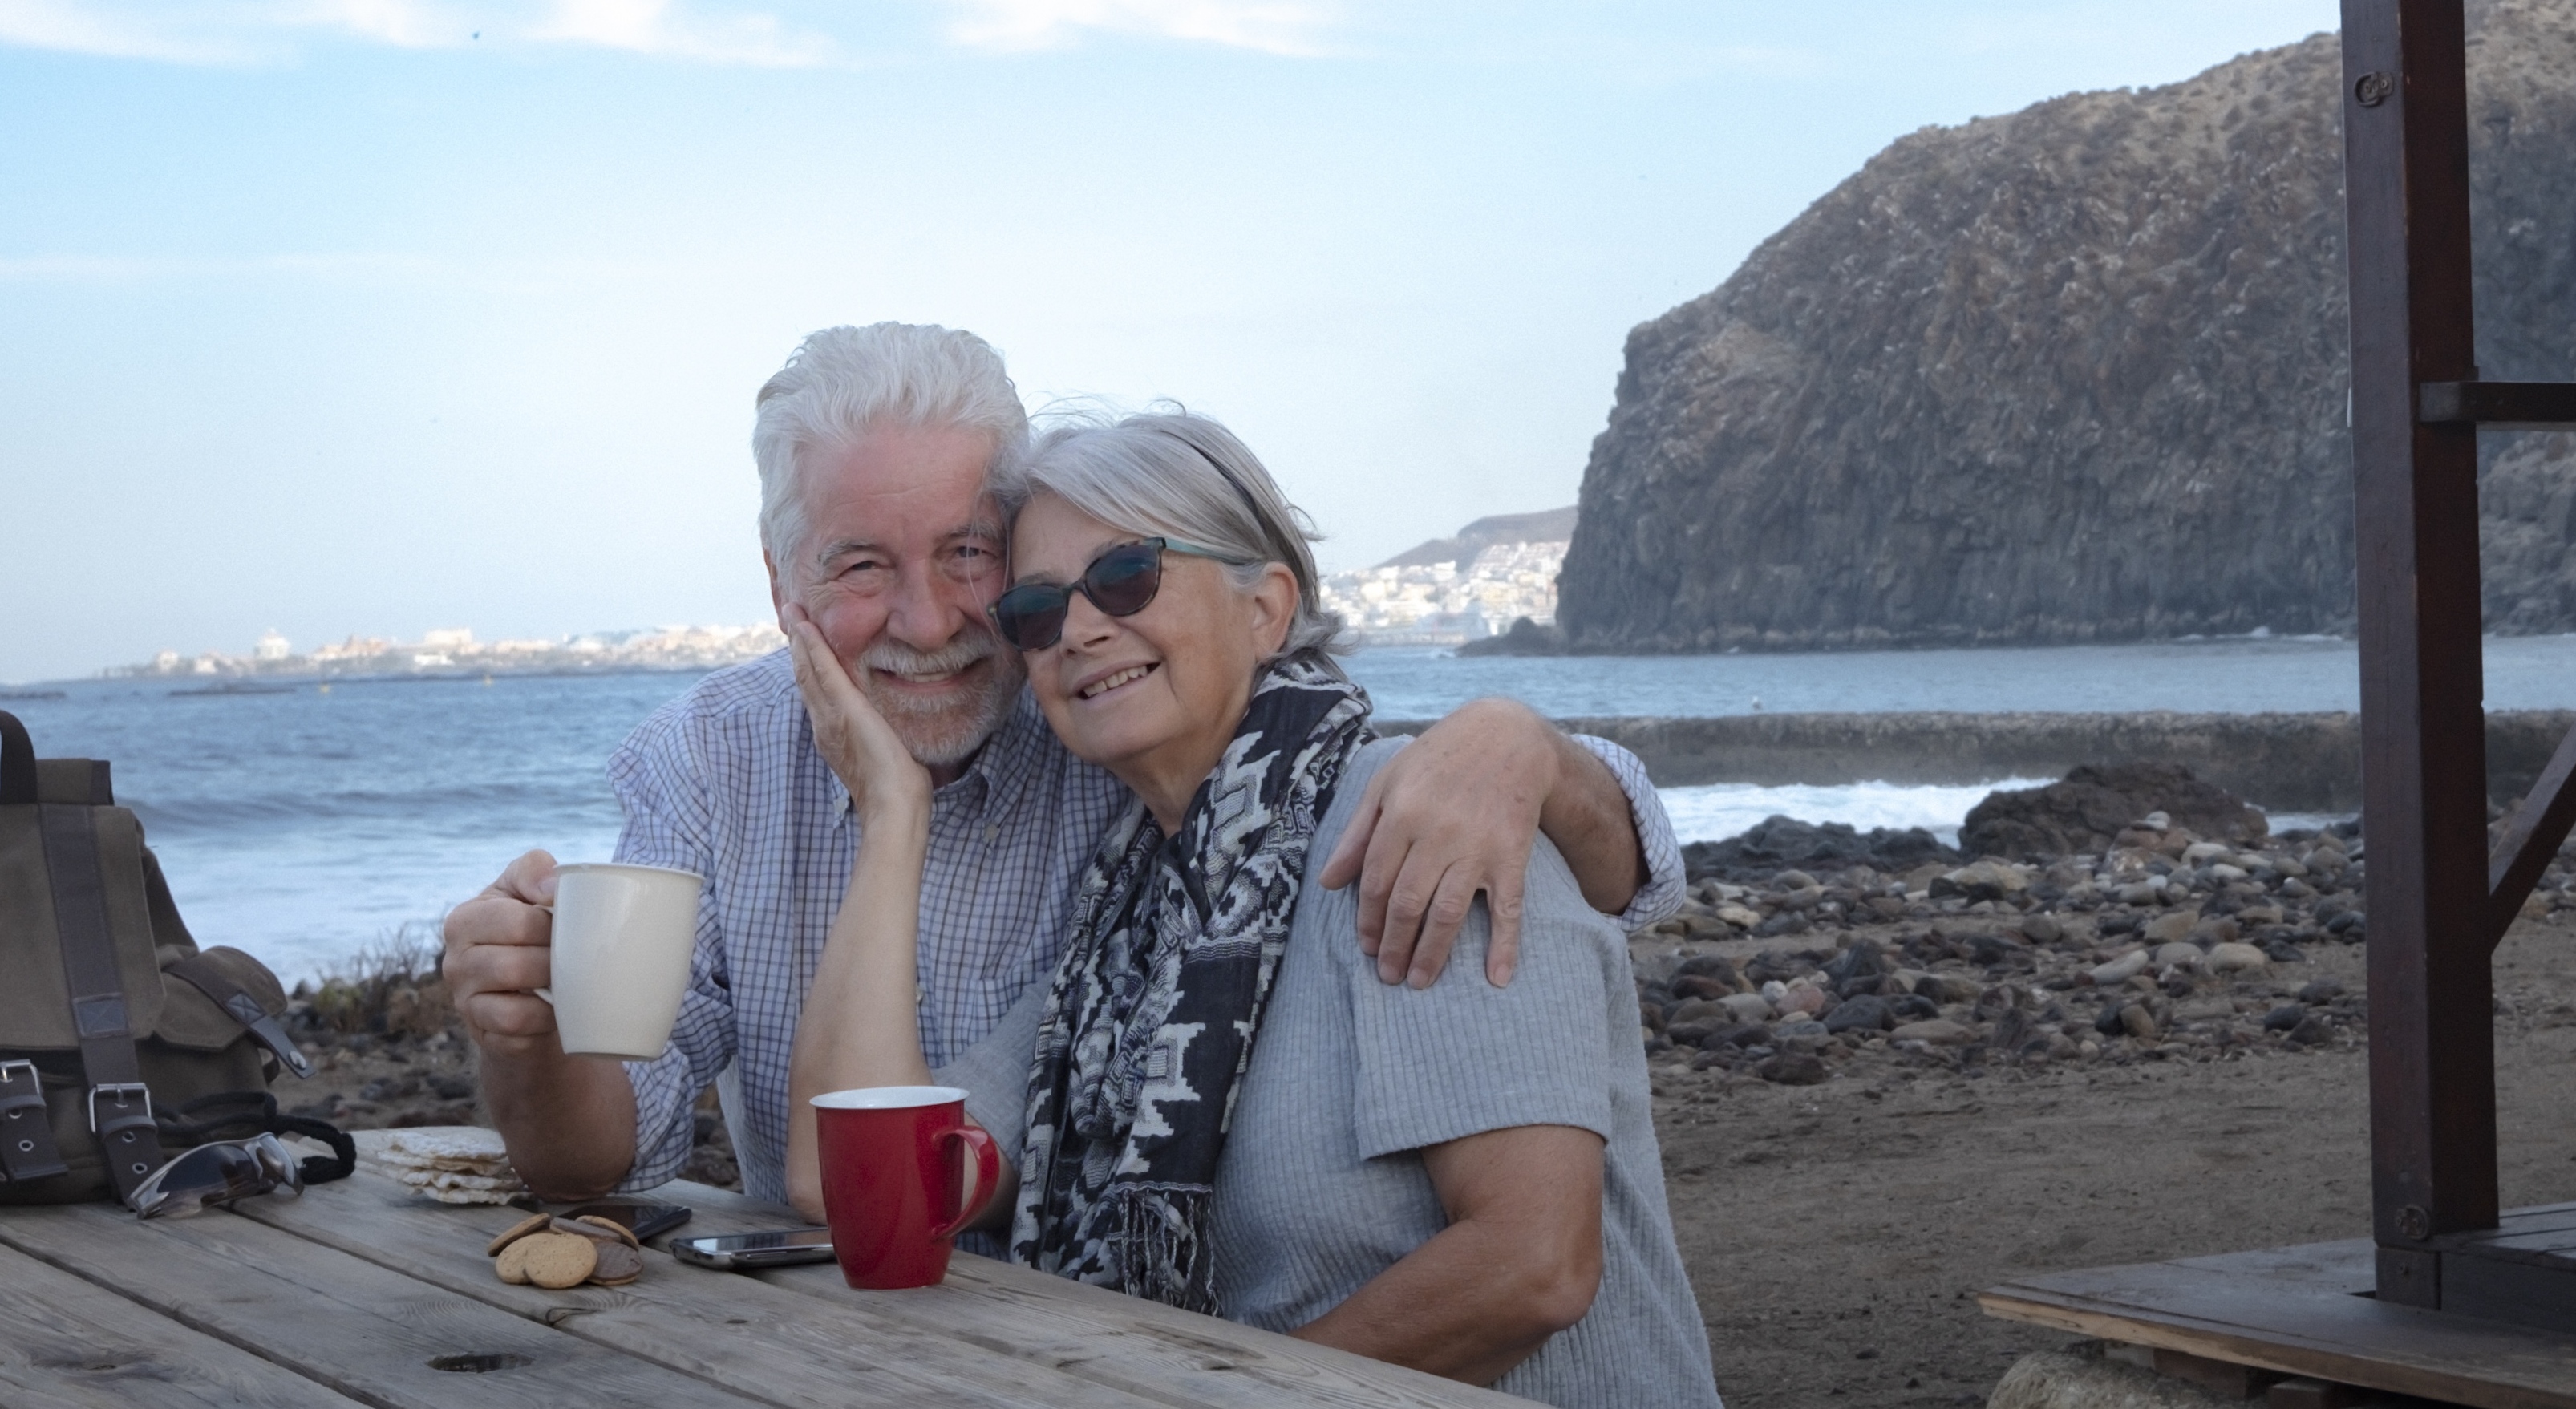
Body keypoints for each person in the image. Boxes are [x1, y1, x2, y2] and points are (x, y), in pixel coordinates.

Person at [439, 323, 1683, 1207]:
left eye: (971, 555)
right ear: (782, 588)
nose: (929, 622)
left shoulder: (1112, 714)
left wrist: (1521, 742)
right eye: (861, 564)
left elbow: (1592, 863)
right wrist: (526, 1041)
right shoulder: (712, 759)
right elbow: (605, 1159)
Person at [782, 408, 1718, 1405]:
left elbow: (1532, 1268)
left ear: (1267, 606)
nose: (1083, 627)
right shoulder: (1130, 924)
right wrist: (892, 810)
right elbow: (859, 1186)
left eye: (1127, 575)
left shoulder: (1414, 818)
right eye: (1039, 610)